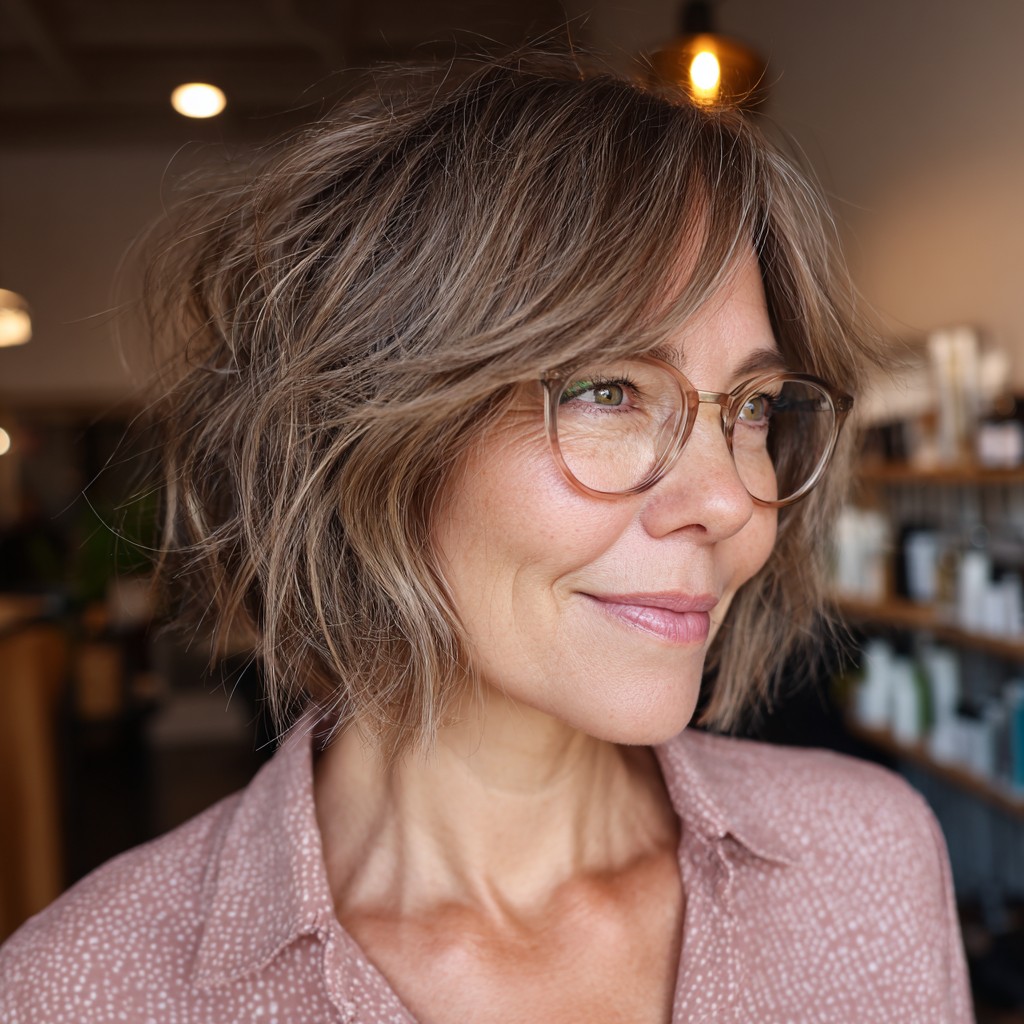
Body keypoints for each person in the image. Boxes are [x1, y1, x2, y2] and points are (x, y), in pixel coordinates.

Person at [0, 51, 973, 1023]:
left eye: (754, 406)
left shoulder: (867, 860)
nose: (726, 500)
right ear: (368, 432)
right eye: (608, 390)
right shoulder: (90, 992)